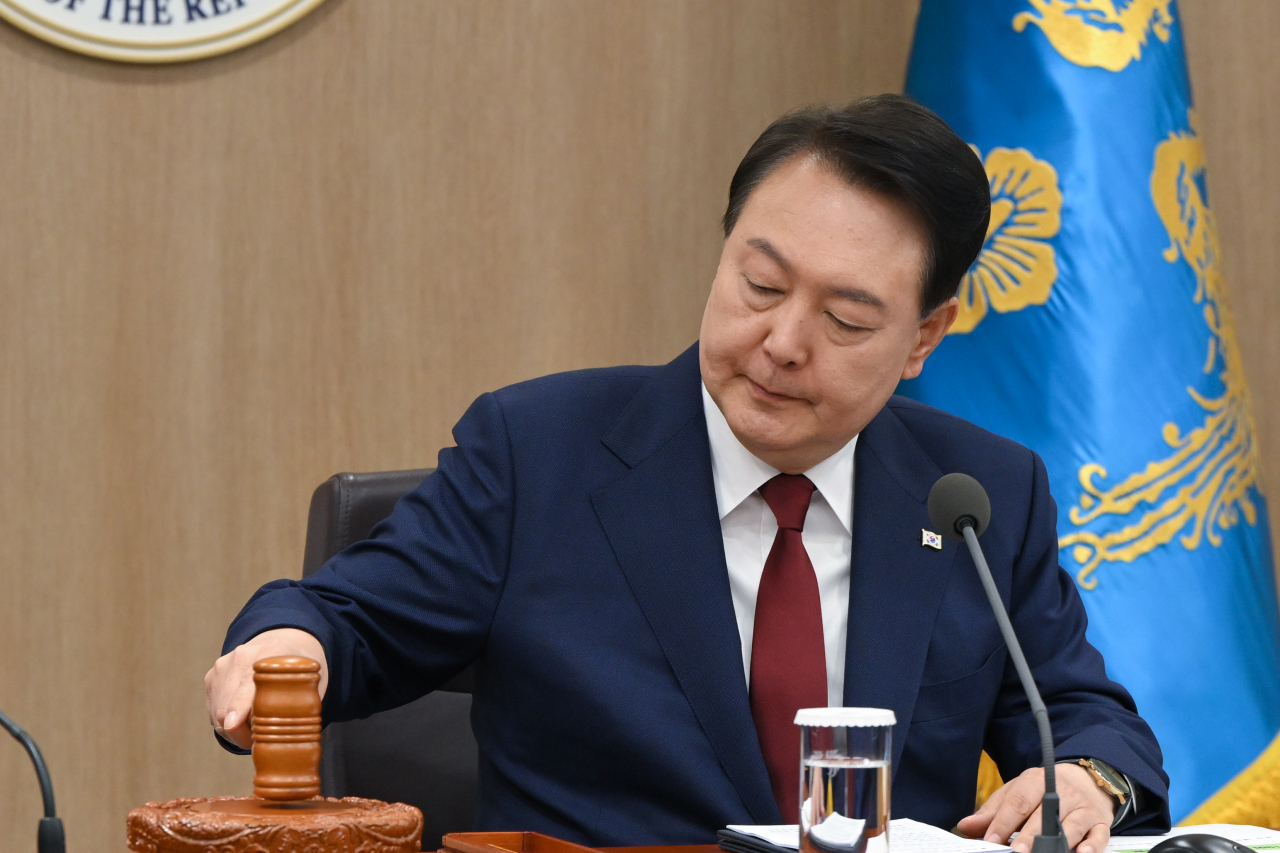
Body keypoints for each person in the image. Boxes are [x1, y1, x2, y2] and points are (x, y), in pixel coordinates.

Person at [205, 95, 1169, 850]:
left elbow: (1086, 715)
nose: (782, 342)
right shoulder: (538, 450)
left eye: (845, 319)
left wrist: (1088, 777)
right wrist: (290, 642)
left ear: (924, 336)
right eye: (759, 284)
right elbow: (348, 620)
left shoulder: (976, 495)